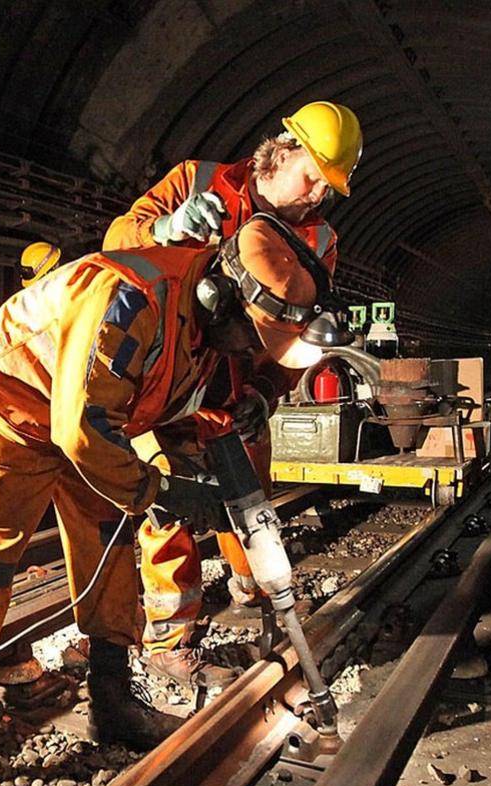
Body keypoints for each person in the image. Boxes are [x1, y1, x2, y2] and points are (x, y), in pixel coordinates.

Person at [0, 216, 337, 786]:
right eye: (251, 336)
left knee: (110, 547)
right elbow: (79, 428)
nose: (248, 351)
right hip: (12, 408)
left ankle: (111, 697)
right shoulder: (125, 299)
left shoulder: (203, 319)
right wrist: (158, 489)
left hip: (89, 422)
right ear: (222, 299)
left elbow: (164, 399)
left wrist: (218, 439)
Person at [102, 101, 362, 685]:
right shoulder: (198, 182)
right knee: (168, 504)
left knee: (250, 503)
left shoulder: (319, 239)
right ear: (284, 148)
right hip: (167, 379)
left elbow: (304, 335)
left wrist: (268, 391)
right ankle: (170, 639)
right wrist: (164, 230)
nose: (317, 193)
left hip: (237, 386)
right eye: (312, 174)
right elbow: (117, 245)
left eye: (330, 185)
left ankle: (252, 590)